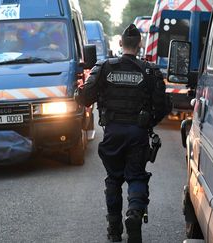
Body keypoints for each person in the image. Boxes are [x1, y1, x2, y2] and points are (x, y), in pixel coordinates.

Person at [76, 24, 170, 243]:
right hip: (138, 134)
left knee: (114, 179)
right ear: (139, 45)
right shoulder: (150, 71)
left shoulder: (104, 67)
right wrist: (147, 124)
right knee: (136, 176)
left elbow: (84, 98)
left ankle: (114, 230)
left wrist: (79, 92)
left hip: (113, 133)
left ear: (120, 44)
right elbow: (163, 106)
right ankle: (134, 214)